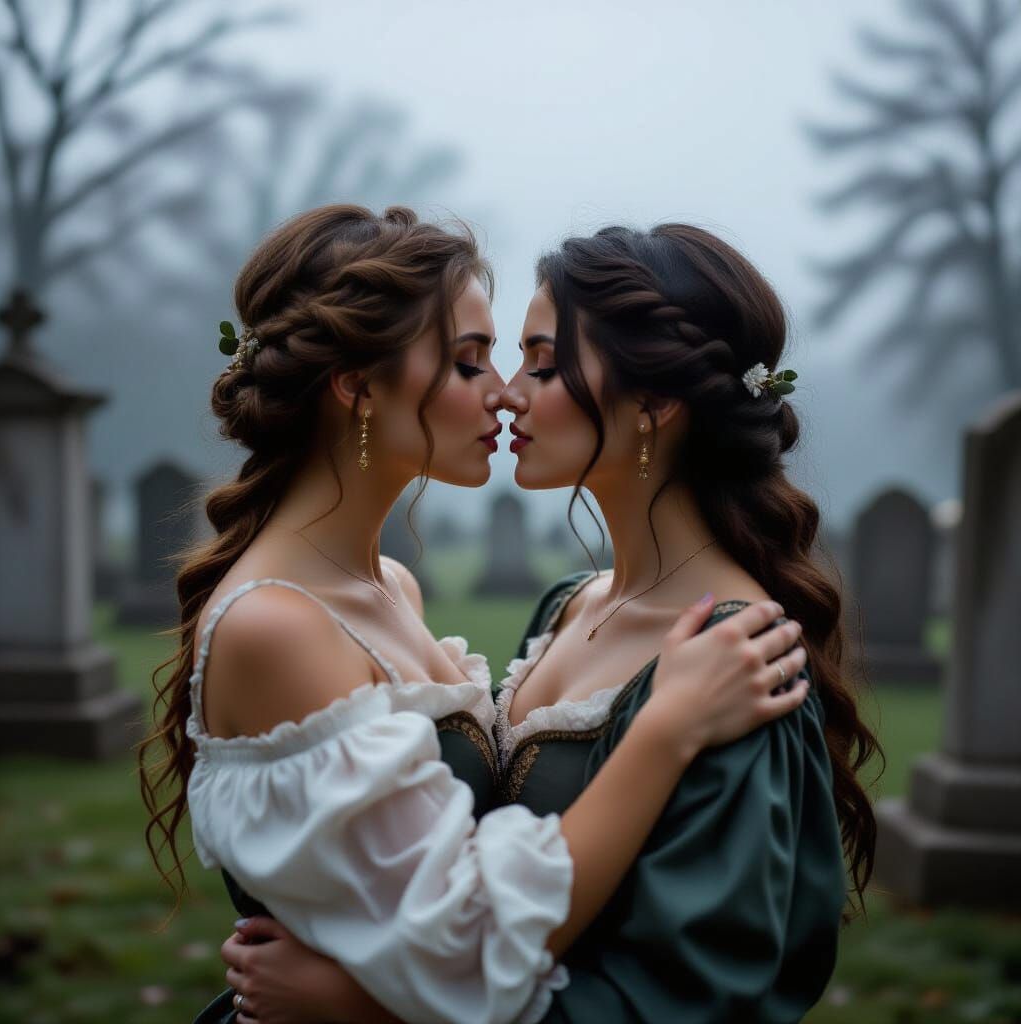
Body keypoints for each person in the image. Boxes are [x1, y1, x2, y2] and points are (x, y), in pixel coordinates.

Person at [138, 206, 808, 1024]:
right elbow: (456, 919)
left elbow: (700, 994)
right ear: (356, 385)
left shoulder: (732, 655)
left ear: (655, 401)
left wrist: (362, 1005)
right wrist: (661, 733)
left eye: (538, 364)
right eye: (473, 362)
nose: (505, 394)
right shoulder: (289, 626)